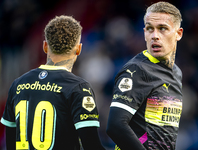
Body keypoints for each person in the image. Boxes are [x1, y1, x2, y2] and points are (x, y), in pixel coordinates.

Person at [1, 15, 105, 150]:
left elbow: (9, 143)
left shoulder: (18, 84)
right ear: (78, 49)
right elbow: (92, 146)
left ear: (45, 46)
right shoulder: (78, 88)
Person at [106, 2, 183, 150]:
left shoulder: (176, 72)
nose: (154, 36)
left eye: (162, 29)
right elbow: (115, 126)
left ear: (178, 33)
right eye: (149, 29)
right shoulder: (136, 70)